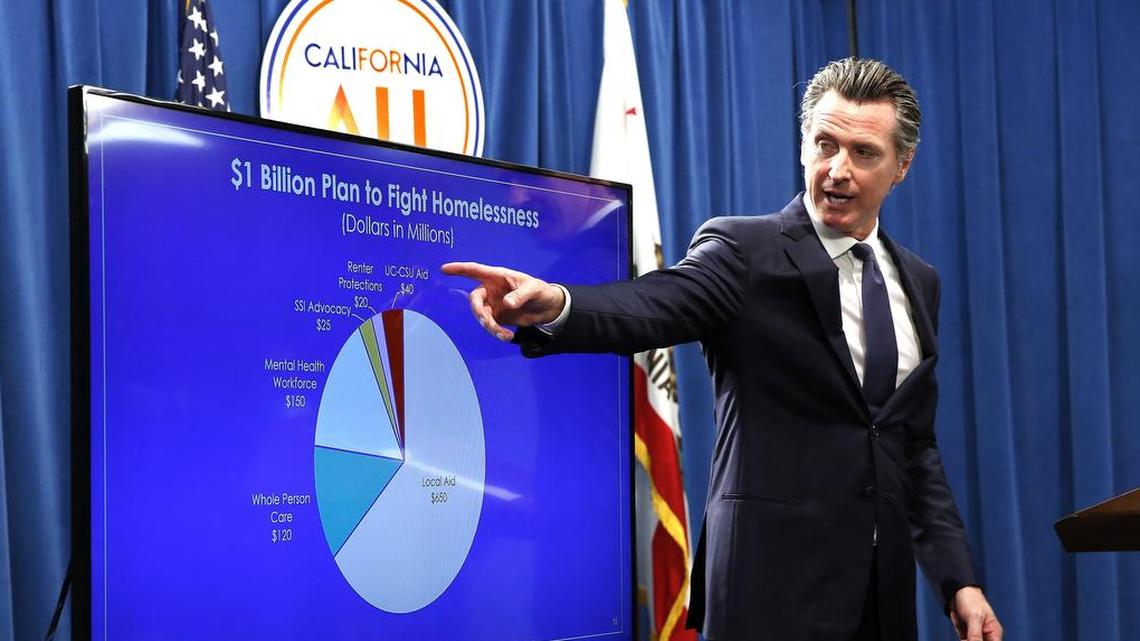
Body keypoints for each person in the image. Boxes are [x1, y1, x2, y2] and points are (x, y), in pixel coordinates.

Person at [443, 58, 1002, 641]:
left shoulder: (919, 281)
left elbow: (912, 447)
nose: (837, 170)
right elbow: (652, 305)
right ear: (804, 145)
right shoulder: (743, 251)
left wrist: (958, 580)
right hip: (766, 595)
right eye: (824, 144)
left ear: (902, 165)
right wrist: (559, 304)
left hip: (879, 605)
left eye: (864, 153)